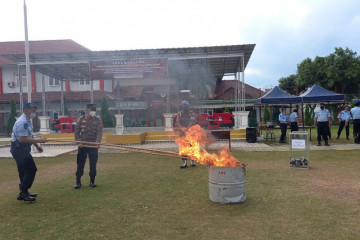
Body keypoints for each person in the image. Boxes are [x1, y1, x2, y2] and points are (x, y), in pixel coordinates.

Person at [10, 102, 48, 202]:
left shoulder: (28, 121)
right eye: (32, 110)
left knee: (23, 171)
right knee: (31, 169)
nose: (34, 112)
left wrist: (37, 146)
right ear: (26, 110)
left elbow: (29, 136)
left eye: (35, 110)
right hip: (19, 149)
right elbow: (23, 139)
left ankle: (23, 192)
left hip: (22, 149)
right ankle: (23, 191)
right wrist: (40, 141)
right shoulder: (22, 122)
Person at [74, 104, 103, 189]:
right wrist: (79, 142)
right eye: (91, 110)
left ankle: (92, 181)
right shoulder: (81, 119)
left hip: (93, 145)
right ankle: (78, 181)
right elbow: (76, 132)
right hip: (82, 145)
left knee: (93, 164)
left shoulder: (98, 120)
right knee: (80, 164)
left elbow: (99, 133)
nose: (93, 112)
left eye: (94, 110)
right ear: (87, 110)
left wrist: (98, 143)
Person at [175, 100, 197, 168]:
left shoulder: (192, 113)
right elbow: (178, 122)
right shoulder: (180, 113)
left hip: (191, 133)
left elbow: (192, 121)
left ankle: (192, 161)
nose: (184, 106)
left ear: (188, 106)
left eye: (185, 105)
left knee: (192, 147)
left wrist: (187, 128)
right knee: (183, 148)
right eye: (183, 105)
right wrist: (182, 128)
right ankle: (184, 163)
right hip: (182, 134)